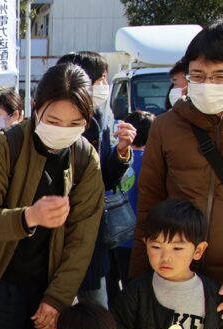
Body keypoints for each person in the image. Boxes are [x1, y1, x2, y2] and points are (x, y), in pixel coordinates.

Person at [0, 63, 104, 329]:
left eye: (75, 123)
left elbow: (82, 240)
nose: (63, 131)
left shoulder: (85, 158)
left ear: (87, 120)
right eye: (53, 120)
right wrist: (28, 217)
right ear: (35, 107)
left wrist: (57, 299)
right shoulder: (3, 147)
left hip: (49, 287)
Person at [131, 21, 223, 286]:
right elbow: (148, 206)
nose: (208, 84)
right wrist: (139, 283)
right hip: (176, 278)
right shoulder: (165, 127)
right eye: (198, 75)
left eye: (219, 76)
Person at [114, 199, 223, 329]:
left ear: (198, 251)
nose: (165, 257)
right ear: (145, 244)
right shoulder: (137, 291)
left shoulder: (212, 296)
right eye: (156, 246)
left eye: (177, 248)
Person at [57, 51, 136, 308]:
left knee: (95, 311)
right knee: (78, 312)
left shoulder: (100, 117)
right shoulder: (66, 125)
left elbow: (103, 180)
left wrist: (122, 152)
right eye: (101, 78)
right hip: (67, 235)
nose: (105, 85)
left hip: (93, 236)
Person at [105, 109, 155, 303]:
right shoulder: (152, 162)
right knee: (132, 288)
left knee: (111, 287)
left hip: (110, 234)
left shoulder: (113, 156)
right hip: (136, 238)